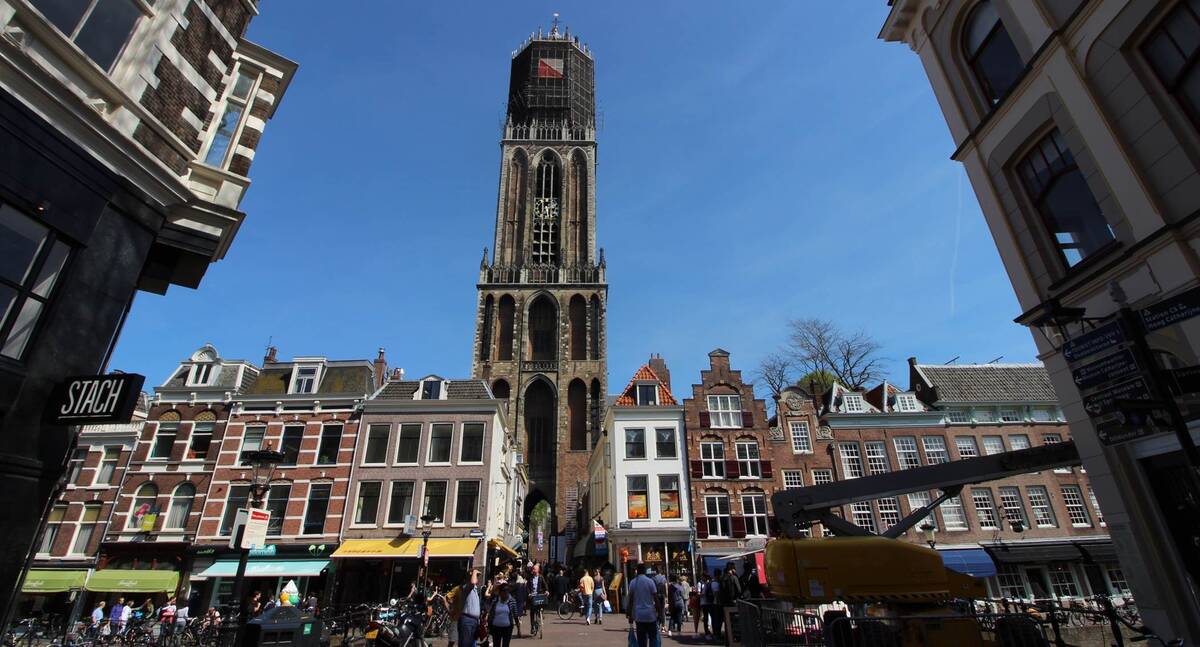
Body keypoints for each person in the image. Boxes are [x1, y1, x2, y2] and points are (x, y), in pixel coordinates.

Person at [625, 564, 662, 647]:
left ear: (637, 571)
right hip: (650, 615)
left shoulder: (633, 582)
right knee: (653, 638)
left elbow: (630, 600)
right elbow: (656, 599)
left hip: (639, 616)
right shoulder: (650, 582)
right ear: (645, 571)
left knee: (641, 640)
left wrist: (629, 614)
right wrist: (659, 613)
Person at [456, 569, 484, 647]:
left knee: (471, 644)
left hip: (474, 621)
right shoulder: (466, 587)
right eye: (476, 576)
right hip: (467, 620)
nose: (477, 578)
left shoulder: (474, 590)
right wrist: (474, 571)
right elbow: (472, 582)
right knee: (465, 644)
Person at [526, 563, 547, 637]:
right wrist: (529, 593)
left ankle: (541, 616)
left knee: (542, 606)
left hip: (539, 595)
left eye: (534, 569)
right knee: (532, 611)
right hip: (532, 596)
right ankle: (532, 627)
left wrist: (547, 591)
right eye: (533, 569)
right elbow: (527, 587)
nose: (533, 570)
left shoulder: (541, 577)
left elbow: (545, 585)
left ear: (538, 570)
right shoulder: (530, 577)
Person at [705, 569, 722, 639]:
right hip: (718, 603)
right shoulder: (719, 583)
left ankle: (716, 633)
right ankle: (717, 633)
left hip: (711, 603)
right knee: (718, 619)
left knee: (714, 619)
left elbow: (707, 593)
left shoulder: (711, 583)